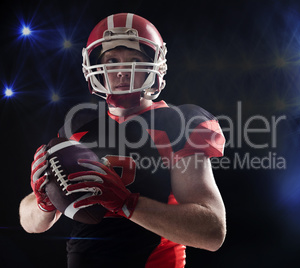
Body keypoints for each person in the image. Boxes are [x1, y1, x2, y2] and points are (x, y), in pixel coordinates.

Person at [19, 13, 226, 267]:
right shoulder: (79, 126)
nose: (121, 71)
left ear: (155, 65)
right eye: (112, 60)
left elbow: (212, 231)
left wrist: (127, 203)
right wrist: (43, 201)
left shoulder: (177, 124)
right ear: (95, 67)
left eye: (135, 60)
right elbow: (30, 223)